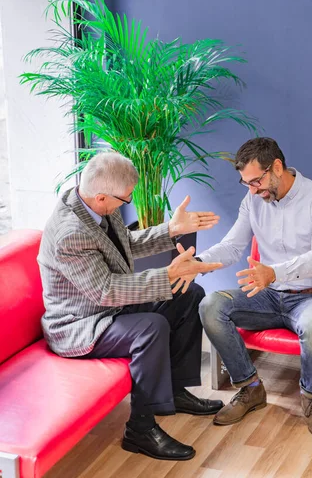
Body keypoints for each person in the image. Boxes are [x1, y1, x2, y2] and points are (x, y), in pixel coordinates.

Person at [38, 151, 224, 462]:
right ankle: (140, 429)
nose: (128, 203)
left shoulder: (95, 205)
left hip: (108, 309)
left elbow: (127, 244)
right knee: (151, 328)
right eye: (126, 199)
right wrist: (165, 274)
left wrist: (171, 230)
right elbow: (106, 291)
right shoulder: (70, 234)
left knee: (188, 294)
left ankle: (175, 390)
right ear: (101, 196)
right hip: (80, 324)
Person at [197, 137, 312, 440]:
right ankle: (250, 389)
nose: (252, 190)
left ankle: (311, 400)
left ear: (276, 167)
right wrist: (198, 262)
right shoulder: (253, 201)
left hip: (311, 298)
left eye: (257, 181)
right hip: (269, 297)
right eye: (246, 183)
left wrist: (274, 272)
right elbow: (232, 247)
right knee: (211, 305)